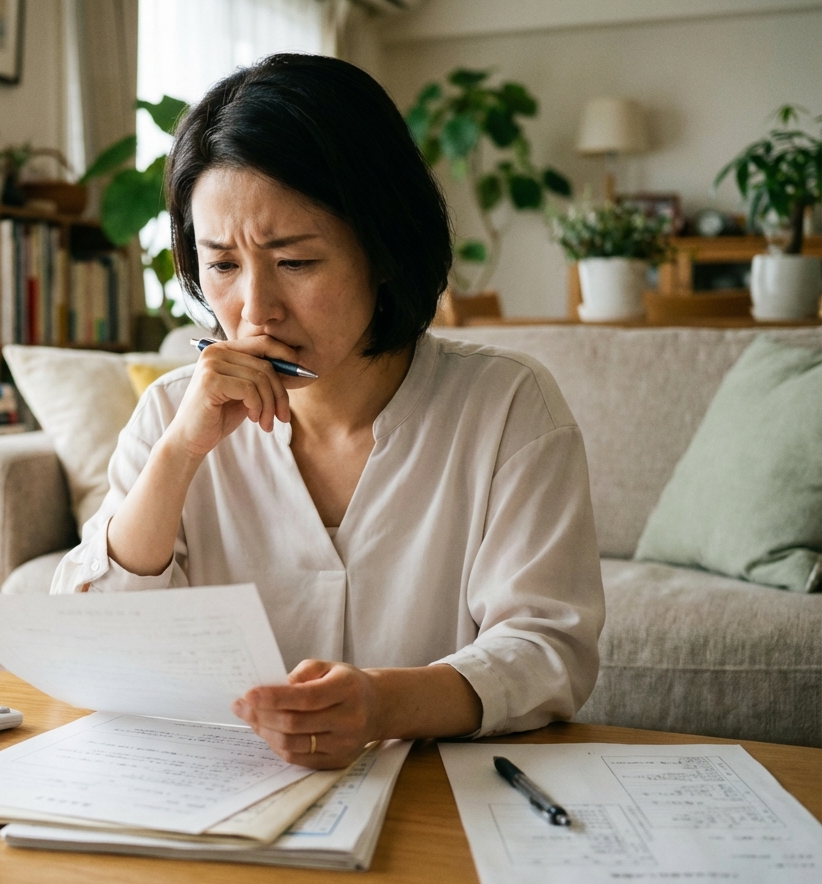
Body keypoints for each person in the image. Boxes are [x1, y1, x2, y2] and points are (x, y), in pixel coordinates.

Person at [53, 54, 605, 770]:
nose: (255, 310)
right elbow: (94, 643)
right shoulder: (170, 412)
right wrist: (178, 455)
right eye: (222, 265)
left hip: (436, 798)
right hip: (219, 801)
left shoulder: (507, 408)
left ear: (382, 248)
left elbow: (548, 649)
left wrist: (383, 703)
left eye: (296, 262)